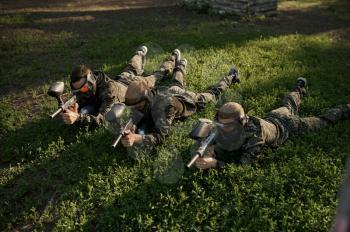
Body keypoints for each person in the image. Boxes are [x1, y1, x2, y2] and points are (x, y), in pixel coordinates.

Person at [194, 77, 350, 169]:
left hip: (289, 126)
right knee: (288, 102)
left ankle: (345, 108)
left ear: (240, 122)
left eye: (226, 126)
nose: (221, 128)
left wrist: (215, 163)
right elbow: (213, 137)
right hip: (274, 116)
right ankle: (299, 87)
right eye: (219, 123)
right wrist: (207, 147)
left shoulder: (256, 136)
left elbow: (245, 165)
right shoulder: (227, 124)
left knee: (323, 120)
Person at [119, 56, 241, 148]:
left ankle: (231, 76)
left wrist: (137, 138)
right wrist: (131, 125)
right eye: (134, 107)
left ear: (146, 98)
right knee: (176, 84)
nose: (136, 109)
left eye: (139, 105)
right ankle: (181, 64)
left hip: (186, 99)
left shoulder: (165, 106)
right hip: (170, 91)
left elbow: (161, 136)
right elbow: (138, 115)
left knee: (213, 94)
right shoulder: (145, 99)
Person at [61, 46, 181, 127]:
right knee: (131, 66)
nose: (81, 92)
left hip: (135, 85)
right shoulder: (85, 86)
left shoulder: (109, 92)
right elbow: (80, 98)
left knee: (158, 75)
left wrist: (79, 118)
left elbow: (104, 119)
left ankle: (173, 58)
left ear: (92, 81)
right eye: (77, 90)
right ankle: (140, 53)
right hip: (122, 78)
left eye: (84, 88)